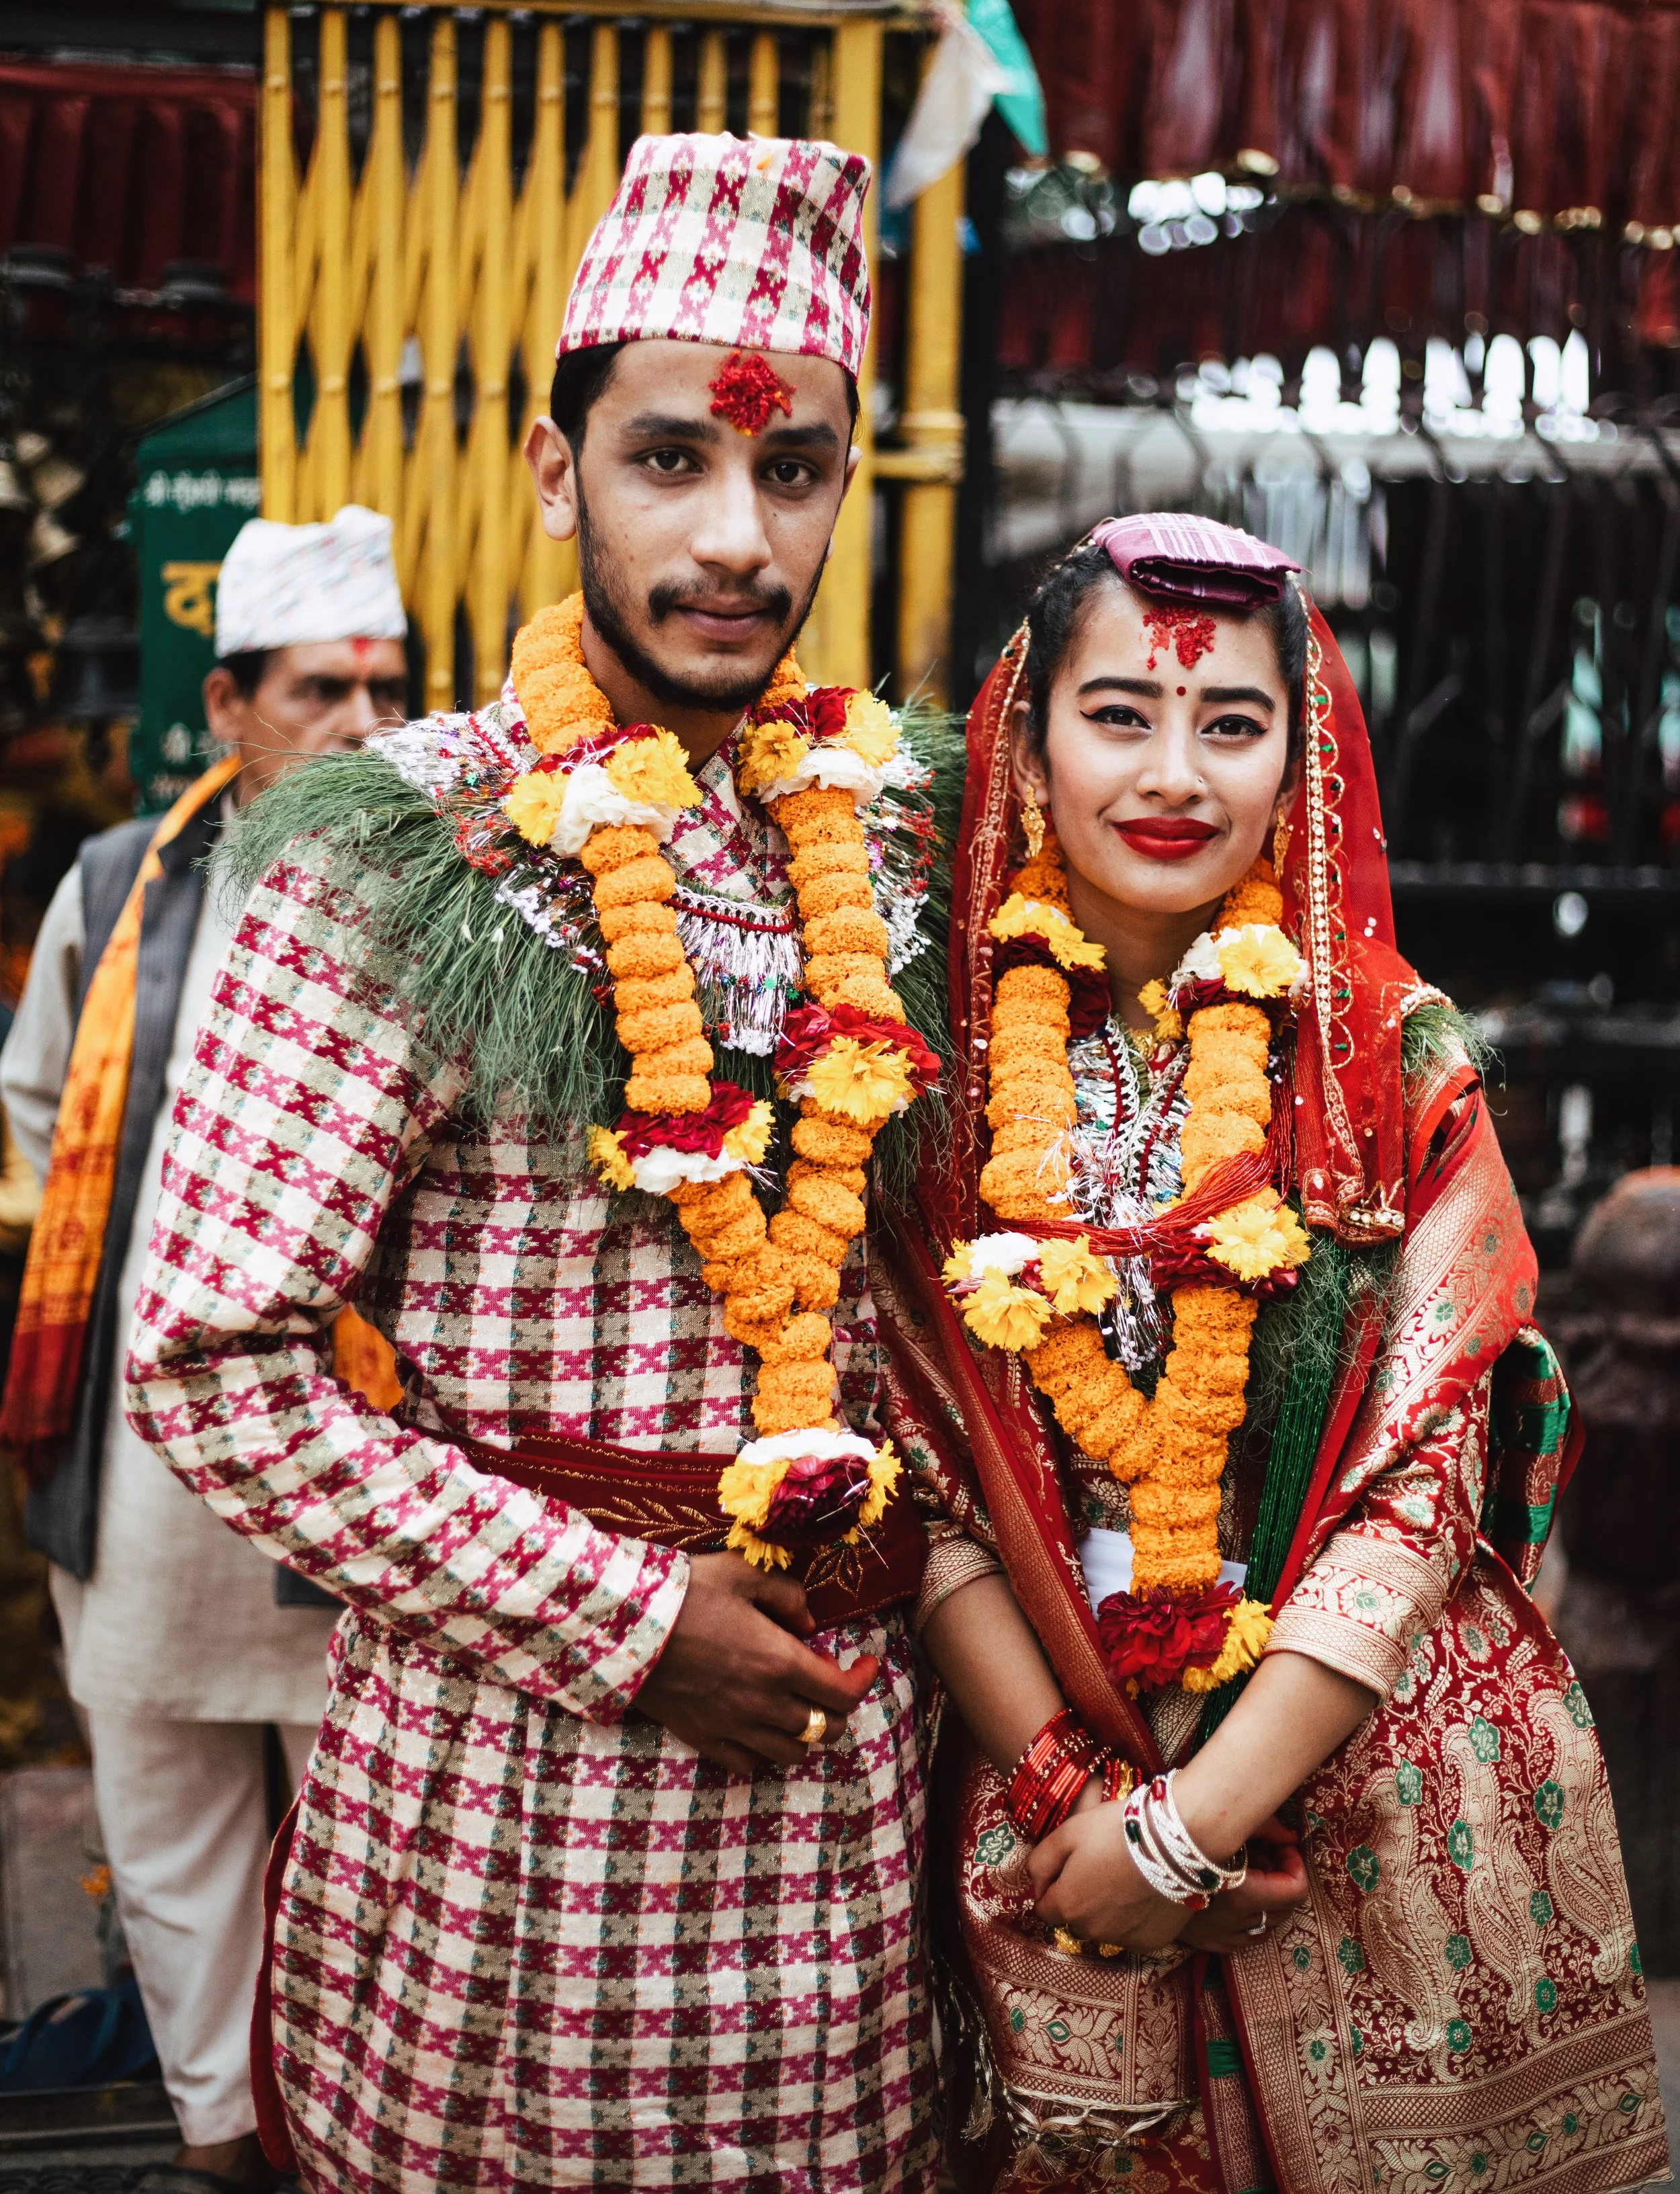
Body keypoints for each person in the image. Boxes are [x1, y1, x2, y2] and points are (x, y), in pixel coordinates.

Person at [124, 134, 954, 2192]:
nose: (736, 536)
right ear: (551, 461)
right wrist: (618, 1615)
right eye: (669, 458)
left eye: (793, 469)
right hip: (519, 1796)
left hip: (850, 1821)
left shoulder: (902, 832)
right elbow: (211, 1358)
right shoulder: (400, 842)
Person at [882, 513, 1667, 2194]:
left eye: (1228, 722)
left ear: (1293, 758)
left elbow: (1425, 1470)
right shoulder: (923, 1082)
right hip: (1042, 1788)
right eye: (1119, 714)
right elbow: (917, 1462)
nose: (1172, 772)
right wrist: (1064, 1796)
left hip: (1354, 1775)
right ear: (1023, 746)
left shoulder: (1393, 1066)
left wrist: (1187, 1824)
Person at [0, 505, 409, 2190]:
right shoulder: (119, 882)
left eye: (389, 689)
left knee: (365, 1824)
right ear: (231, 706)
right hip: (146, 1452)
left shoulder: (444, 888)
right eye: (324, 693)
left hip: (366, 1432)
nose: (368, 730)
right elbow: (35, 1108)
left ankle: (356, 2132)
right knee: (167, 1818)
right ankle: (218, 2139)